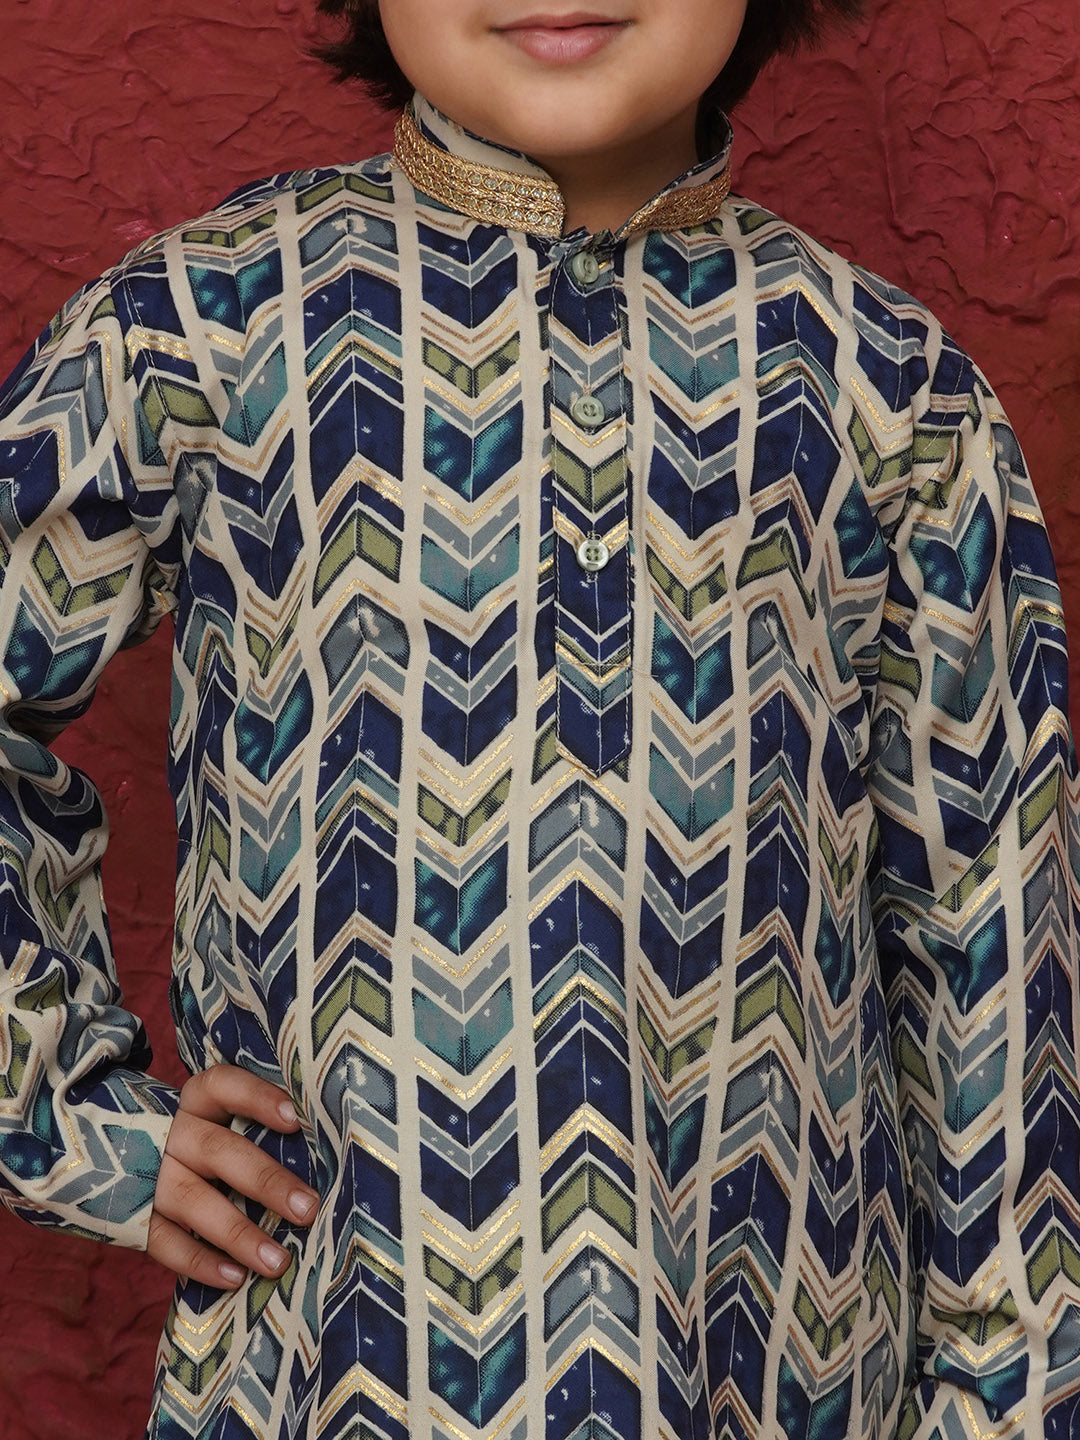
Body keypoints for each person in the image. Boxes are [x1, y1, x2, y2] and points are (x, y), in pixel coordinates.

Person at [1, 0, 1078, 1436]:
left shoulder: (894, 394)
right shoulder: (199, 329)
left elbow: (996, 932)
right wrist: (79, 1123)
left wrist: (1010, 1399)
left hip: (780, 1373)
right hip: (338, 1362)